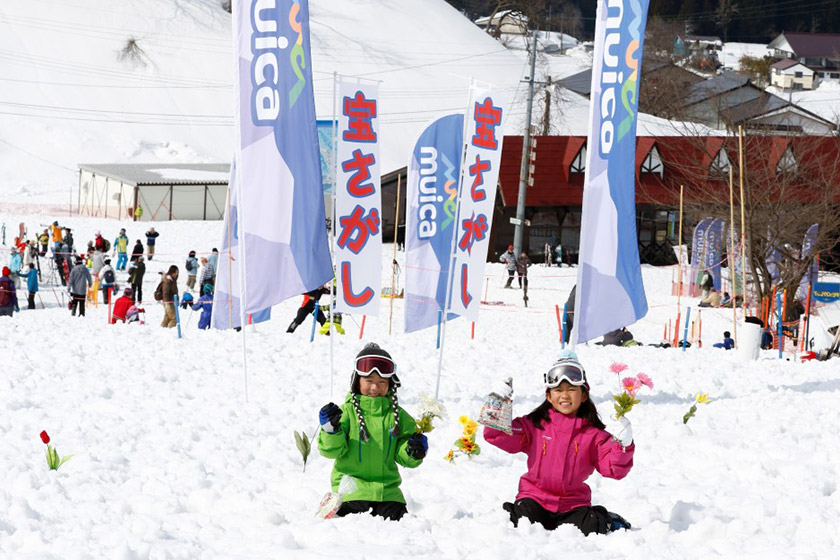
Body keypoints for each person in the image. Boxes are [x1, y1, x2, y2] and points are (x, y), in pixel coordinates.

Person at [484, 352, 634, 536]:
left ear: (584, 395)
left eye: (572, 390)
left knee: (590, 527)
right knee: (521, 520)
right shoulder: (535, 425)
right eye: (558, 390)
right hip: (535, 498)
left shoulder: (594, 435)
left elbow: (614, 469)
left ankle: (605, 518)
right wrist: (497, 404)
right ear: (548, 396)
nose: (565, 395)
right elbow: (498, 434)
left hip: (573, 504)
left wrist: (623, 446)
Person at [317, 343, 427, 521]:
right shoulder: (345, 414)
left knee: (399, 529)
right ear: (357, 381)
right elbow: (331, 451)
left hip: (388, 493)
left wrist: (413, 451)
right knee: (352, 531)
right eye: (369, 381)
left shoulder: (399, 417)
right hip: (351, 492)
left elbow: (403, 456)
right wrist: (330, 431)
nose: (375, 388)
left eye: (382, 382)